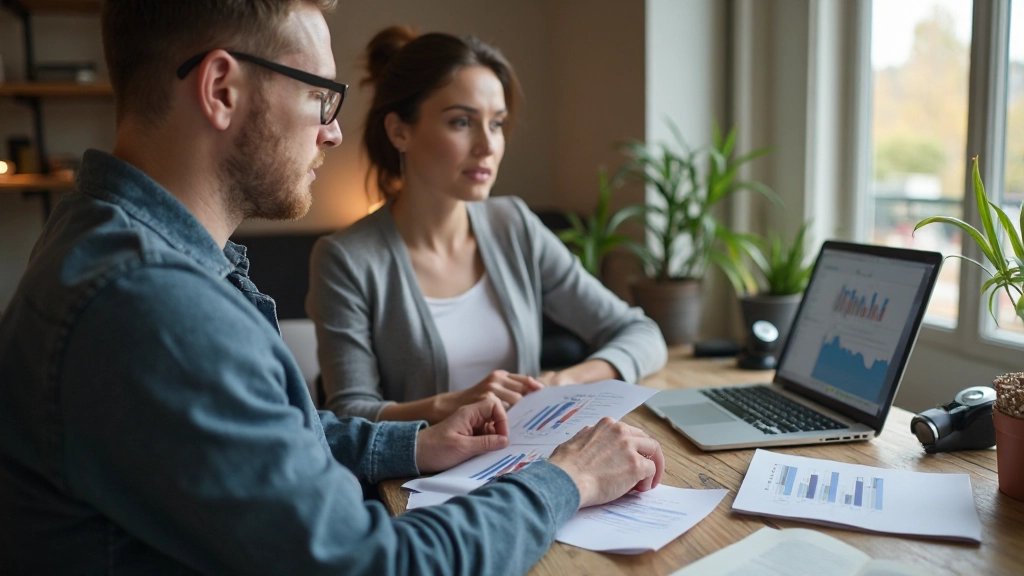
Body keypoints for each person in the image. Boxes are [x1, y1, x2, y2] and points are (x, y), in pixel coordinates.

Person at [0, 2, 665, 574]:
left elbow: (270, 427)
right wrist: (568, 479)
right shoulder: (154, 307)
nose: (335, 130)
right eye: (320, 95)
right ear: (221, 89)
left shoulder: (117, 243)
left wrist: (414, 442)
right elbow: (373, 565)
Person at [307, 26, 668, 424]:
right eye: (462, 122)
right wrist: (454, 404)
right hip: (419, 481)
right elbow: (349, 416)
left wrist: (567, 381)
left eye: (496, 124)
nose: (488, 145)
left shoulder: (514, 226)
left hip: (527, 465)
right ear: (399, 131)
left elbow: (642, 334)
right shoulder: (346, 259)